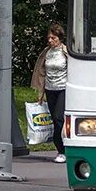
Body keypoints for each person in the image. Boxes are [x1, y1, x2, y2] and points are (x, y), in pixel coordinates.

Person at [32, 23, 68, 163]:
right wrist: (41, 93)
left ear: (59, 38)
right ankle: (60, 149)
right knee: (54, 119)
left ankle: (63, 150)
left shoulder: (65, 51)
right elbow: (42, 73)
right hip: (50, 88)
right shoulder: (47, 53)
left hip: (63, 88)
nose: (50, 40)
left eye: (53, 38)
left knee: (59, 118)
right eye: (49, 38)